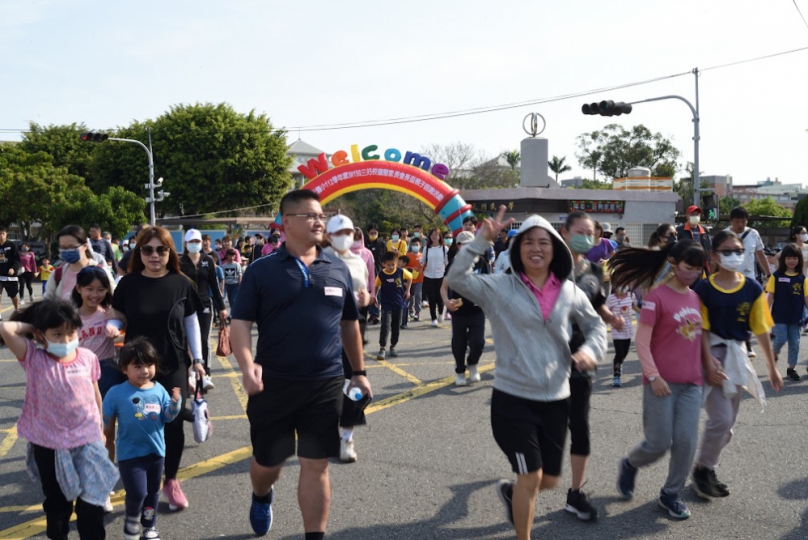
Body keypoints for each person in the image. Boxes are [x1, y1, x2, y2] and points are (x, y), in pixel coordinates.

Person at [446, 206, 605, 540]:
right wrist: (479, 242)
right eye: (528, 242)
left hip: (557, 398)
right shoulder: (499, 287)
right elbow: (457, 280)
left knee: (548, 480)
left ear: (555, 249)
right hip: (513, 399)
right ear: (517, 250)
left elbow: (594, 326)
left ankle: (512, 493)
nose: (536, 248)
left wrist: (590, 351)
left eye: (543, 242)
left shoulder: (568, 290)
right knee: (531, 476)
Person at [229, 190, 371, 538]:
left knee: (316, 464)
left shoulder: (336, 268)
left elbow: (349, 324)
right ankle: (261, 495)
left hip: (323, 384)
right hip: (273, 384)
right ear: (287, 222)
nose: (319, 222)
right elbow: (240, 323)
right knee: (269, 465)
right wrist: (247, 365)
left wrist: (359, 373)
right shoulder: (262, 271)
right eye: (310, 216)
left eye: (321, 215)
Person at [0, 298, 119, 540]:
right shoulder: (33, 357)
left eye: (71, 332)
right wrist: (32, 326)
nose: (66, 340)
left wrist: (100, 425)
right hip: (50, 446)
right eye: (57, 334)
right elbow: (6, 329)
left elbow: (95, 393)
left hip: (87, 442)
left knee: (92, 504)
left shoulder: (87, 357)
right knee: (57, 505)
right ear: (41, 335)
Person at [611, 239, 712, 519]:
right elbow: (641, 343)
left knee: (686, 442)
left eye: (697, 269)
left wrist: (709, 362)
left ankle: (670, 494)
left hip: (691, 383)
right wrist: (653, 376)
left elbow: (696, 337)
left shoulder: (695, 298)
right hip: (661, 384)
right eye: (687, 267)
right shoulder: (656, 297)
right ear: (674, 264)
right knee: (658, 444)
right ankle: (631, 464)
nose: (693, 273)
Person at [111, 226, 206, 512]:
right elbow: (118, 317)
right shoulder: (128, 284)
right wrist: (111, 327)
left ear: (170, 252)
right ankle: (143, 476)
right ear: (139, 252)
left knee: (173, 423)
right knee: (140, 420)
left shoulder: (182, 283)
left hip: (174, 362)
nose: (154, 255)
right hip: (135, 366)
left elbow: (192, 323)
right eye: (148, 249)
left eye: (161, 249)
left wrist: (199, 360)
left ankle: (171, 480)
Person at [691, 230, 783, 499]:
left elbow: (761, 329)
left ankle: (708, 468)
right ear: (715, 255)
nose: (734, 256)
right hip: (712, 356)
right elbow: (701, 331)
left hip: (737, 357)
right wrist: (708, 363)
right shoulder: (704, 288)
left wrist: (772, 367)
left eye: (738, 250)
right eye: (727, 251)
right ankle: (702, 471)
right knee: (719, 420)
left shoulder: (752, 288)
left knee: (727, 424)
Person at [559, 211, 624, 521]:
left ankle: (575, 493)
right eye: (581, 231)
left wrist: (611, 317)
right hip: (545, 361)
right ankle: (528, 481)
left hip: (582, 358)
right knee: (544, 427)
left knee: (580, 427)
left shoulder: (595, 270)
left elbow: (596, 304)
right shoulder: (545, 266)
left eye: (593, 233)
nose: (588, 237)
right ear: (565, 232)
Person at [103, 338, 182, 540]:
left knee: (152, 493)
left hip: (156, 452)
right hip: (130, 454)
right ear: (124, 368)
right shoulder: (116, 393)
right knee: (137, 492)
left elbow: (167, 417)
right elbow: (103, 417)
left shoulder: (159, 390)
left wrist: (175, 404)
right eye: (137, 366)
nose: (144, 371)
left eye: (149, 365)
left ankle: (149, 526)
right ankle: (131, 520)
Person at [323, 215, 372, 463]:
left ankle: (347, 437)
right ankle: (328, 430)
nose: (345, 236)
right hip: (326, 328)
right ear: (329, 235)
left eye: (349, 231)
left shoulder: (359, 260)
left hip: (354, 326)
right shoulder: (320, 259)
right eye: (340, 231)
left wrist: (365, 300)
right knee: (330, 383)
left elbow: (365, 293)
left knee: (355, 383)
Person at [180, 229, 228, 390]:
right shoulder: (180, 262)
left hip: (205, 304)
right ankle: (191, 374)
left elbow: (214, 285)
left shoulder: (207, 260)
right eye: (191, 242)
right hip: (185, 305)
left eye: (197, 241)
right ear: (186, 244)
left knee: (203, 340)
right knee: (186, 341)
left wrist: (221, 307)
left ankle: (205, 374)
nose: (195, 244)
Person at [441, 231, 489, 386]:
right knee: (459, 344)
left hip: (477, 310)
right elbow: (443, 287)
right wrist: (447, 302)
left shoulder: (481, 261)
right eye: (464, 245)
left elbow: (489, 284)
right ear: (458, 246)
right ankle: (460, 371)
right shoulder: (453, 265)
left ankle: (472, 363)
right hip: (459, 311)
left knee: (478, 343)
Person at [72, 266, 124, 398]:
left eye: (101, 290)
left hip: (108, 367)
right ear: (79, 288)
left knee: (108, 409)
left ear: (107, 290)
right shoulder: (70, 317)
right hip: (81, 368)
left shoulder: (109, 313)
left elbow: (119, 325)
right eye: (89, 289)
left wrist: (115, 327)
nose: (95, 295)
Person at [726, 206, 770, 357]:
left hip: (749, 279)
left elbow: (760, 254)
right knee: (732, 311)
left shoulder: (753, 234)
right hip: (729, 278)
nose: (740, 225)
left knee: (748, 311)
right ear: (731, 221)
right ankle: (734, 342)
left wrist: (768, 273)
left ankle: (747, 342)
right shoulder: (725, 234)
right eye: (737, 221)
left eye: (743, 221)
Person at [766, 244, 808, 381]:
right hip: (779, 316)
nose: (791, 261)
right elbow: (770, 295)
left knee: (795, 343)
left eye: (795, 258)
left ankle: (791, 368)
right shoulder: (776, 276)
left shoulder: (803, 279)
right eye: (788, 257)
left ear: (799, 259)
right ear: (783, 259)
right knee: (780, 339)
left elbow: (806, 298)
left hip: (796, 317)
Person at [45, 225, 116, 301]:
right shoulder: (57, 274)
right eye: (63, 248)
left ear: (85, 246)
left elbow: (115, 299)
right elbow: (47, 304)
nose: (67, 251)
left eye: (72, 247)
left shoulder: (101, 272)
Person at [375, 251, 412, 359]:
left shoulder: (400, 271)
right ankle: (382, 348)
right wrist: (375, 296)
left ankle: (393, 346)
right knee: (385, 326)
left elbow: (410, 277)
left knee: (396, 327)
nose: (391, 267)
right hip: (387, 305)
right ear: (383, 264)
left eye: (393, 264)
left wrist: (408, 291)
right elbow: (376, 285)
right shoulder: (381, 274)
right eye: (388, 264)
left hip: (399, 304)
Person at [605, 286, 636, 387]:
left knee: (624, 353)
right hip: (617, 331)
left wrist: (642, 312)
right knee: (619, 353)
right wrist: (612, 320)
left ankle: (619, 364)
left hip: (628, 330)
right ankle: (616, 375)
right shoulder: (611, 298)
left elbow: (633, 306)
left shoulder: (631, 296)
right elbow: (605, 311)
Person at [422, 228, 449, 327]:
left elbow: (447, 263)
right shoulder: (427, 248)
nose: (434, 236)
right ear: (429, 236)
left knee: (440, 297)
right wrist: (420, 265)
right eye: (432, 235)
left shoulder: (444, 248)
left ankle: (441, 312)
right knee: (431, 298)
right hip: (429, 275)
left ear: (439, 236)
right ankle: (433, 318)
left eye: (436, 235)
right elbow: (423, 260)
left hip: (441, 276)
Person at [676, 205, 712, 275]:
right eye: (692, 214)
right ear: (686, 216)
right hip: (687, 264)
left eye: (697, 214)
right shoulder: (679, 231)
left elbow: (708, 247)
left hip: (703, 264)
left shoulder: (705, 230)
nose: (695, 216)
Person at [0, 225, 21, 316]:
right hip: (0, 276)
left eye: (2, 234)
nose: (1, 236)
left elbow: (17, 259)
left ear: (6, 234)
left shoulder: (11, 245)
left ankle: (17, 310)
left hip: (10, 276)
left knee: (13, 296)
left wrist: (13, 268)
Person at [405, 237, 424, 322]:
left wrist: (420, 270)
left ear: (420, 246)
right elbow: (404, 266)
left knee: (418, 296)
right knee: (410, 296)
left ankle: (417, 312)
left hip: (419, 279)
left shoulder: (422, 256)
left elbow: (424, 266)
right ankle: (410, 309)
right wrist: (412, 268)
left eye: (417, 245)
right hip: (410, 280)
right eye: (413, 245)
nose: (415, 246)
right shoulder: (408, 255)